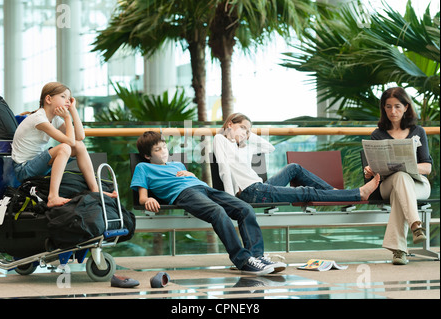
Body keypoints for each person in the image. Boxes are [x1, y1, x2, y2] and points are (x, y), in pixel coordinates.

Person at [130, 131, 286, 276]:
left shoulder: (177, 165)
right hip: (184, 194)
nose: (164, 151)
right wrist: (148, 199)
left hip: (204, 188)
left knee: (245, 208)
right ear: (147, 155)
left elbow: (193, 180)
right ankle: (243, 261)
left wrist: (190, 174)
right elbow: (142, 197)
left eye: (164, 147)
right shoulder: (143, 167)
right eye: (158, 149)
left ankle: (256, 257)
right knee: (217, 212)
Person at [213, 113, 380, 206]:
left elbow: (268, 148)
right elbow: (223, 170)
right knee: (306, 192)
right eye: (241, 127)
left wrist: (247, 134)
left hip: (260, 188)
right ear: (229, 125)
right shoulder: (220, 139)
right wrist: (230, 201)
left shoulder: (241, 146)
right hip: (252, 192)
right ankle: (358, 193)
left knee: (294, 168)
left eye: (247, 131)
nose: (244, 133)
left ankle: (333, 193)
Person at [11, 82, 117, 208]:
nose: (67, 101)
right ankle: (53, 197)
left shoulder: (54, 119)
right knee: (64, 147)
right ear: (48, 99)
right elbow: (69, 141)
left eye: (69, 98)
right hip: (24, 169)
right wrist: (67, 117)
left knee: (80, 146)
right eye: (63, 97)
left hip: (36, 165)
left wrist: (73, 110)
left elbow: (80, 137)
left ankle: (95, 189)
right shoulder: (39, 119)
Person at [363, 87, 432, 265]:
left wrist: (409, 167)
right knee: (400, 178)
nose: (393, 111)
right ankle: (416, 225)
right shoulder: (377, 135)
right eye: (388, 107)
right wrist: (370, 170)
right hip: (388, 184)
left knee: (401, 185)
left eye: (397, 106)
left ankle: (399, 250)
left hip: (418, 185)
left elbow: (427, 167)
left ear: (406, 107)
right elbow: (376, 168)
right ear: (383, 108)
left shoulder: (418, 132)